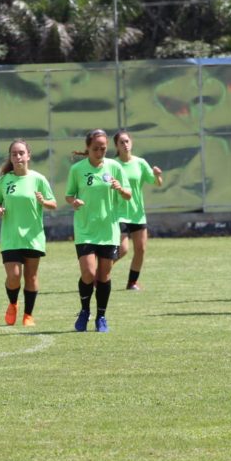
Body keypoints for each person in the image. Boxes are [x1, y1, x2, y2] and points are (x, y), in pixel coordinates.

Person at [65, 129, 131, 333]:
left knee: (103, 275)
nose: (100, 151)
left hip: (108, 230)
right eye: (95, 148)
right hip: (85, 228)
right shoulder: (77, 169)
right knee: (89, 272)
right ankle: (85, 311)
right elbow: (68, 195)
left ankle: (101, 317)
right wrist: (74, 201)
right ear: (88, 148)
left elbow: (128, 195)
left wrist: (120, 189)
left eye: (103, 148)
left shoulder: (115, 167)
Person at [0, 139, 57, 327]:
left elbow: (53, 203)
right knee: (13, 276)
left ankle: (28, 315)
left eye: (21, 153)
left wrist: (43, 201)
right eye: (14, 154)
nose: (18, 156)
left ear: (28, 155)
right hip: (11, 237)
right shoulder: (4, 181)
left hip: (33, 237)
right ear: (10, 158)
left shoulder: (38, 179)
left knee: (31, 277)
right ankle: (13, 304)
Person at [112, 130, 163, 290]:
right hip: (119, 213)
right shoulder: (112, 165)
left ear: (131, 143)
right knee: (123, 249)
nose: (125, 145)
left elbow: (157, 183)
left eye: (127, 141)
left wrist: (157, 175)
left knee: (140, 250)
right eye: (121, 142)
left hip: (137, 213)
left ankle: (132, 282)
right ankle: (101, 273)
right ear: (116, 146)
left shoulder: (140, 163)